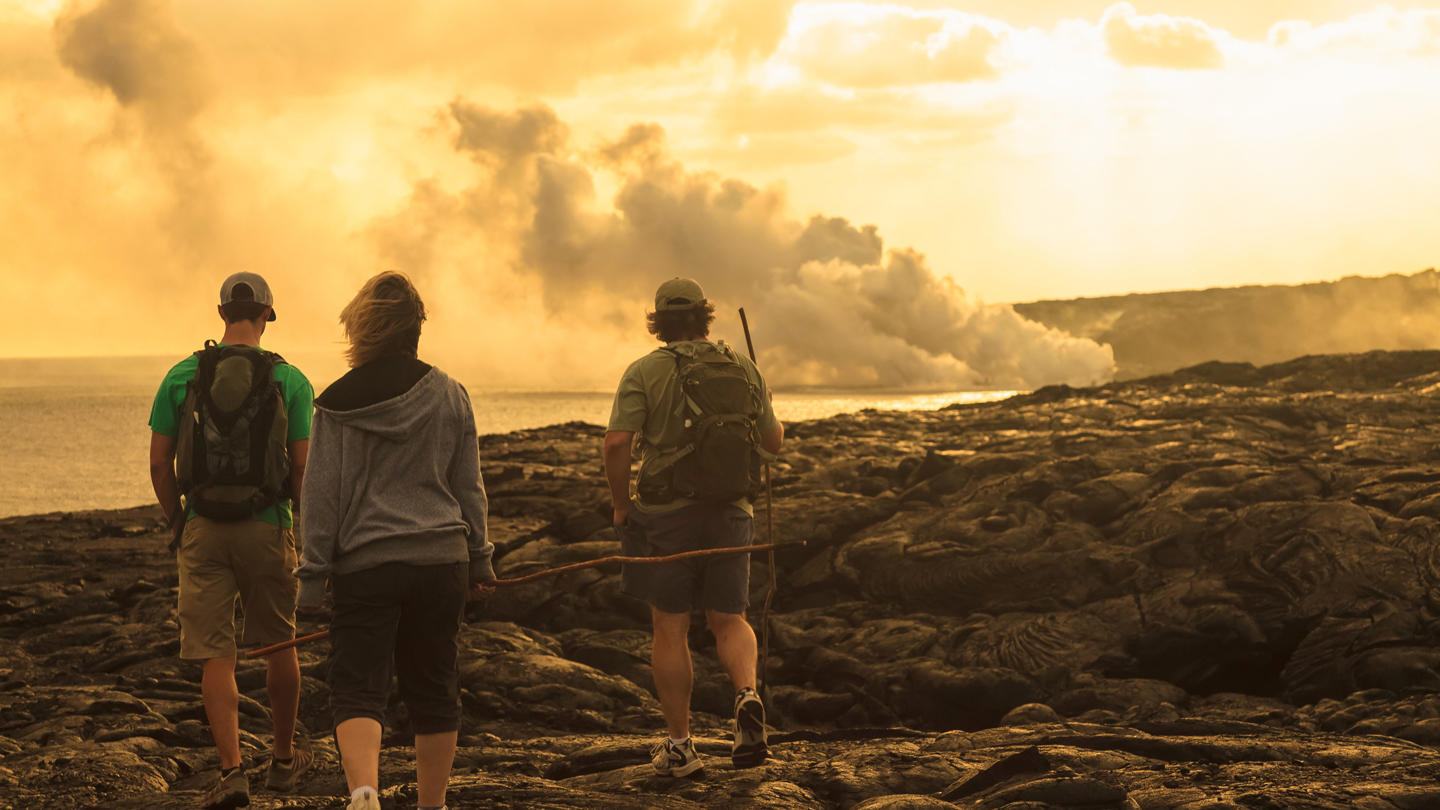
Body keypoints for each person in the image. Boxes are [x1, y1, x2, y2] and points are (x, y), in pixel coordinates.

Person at [295, 271, 494, 810]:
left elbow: (321, 497)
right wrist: (480, 560)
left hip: (366, 567)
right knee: (434, 687)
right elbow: (467, 485)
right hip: (441, 561)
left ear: (362, 330)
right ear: (416, 329)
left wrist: (312, 578)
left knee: (358, 684)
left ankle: (364, 794)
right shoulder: (451, 393)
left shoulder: (336, 405)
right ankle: (433, 805)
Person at [603, 277, 785, 776]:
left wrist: (621, 506)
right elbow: (774, 443)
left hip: (666, 516)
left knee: (671, 626)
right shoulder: (741, 365)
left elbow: (617, 444)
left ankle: (680, 747)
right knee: (730, 616)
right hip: (733, 509)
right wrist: (763, 395)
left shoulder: (645, 370)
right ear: (704, 316)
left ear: (659, 321)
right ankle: (747, 694)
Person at [147, 272, 316, 809]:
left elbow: (158, 462)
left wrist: (179, 520)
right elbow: (301, 469)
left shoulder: (182, 374)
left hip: (202, 527)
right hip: (267, 524)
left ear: (221, 313)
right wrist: (296, 527)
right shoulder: (291, 380)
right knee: (278, 644)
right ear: (267, 314)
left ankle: (233, 770)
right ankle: (284, 761)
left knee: (215, 656)